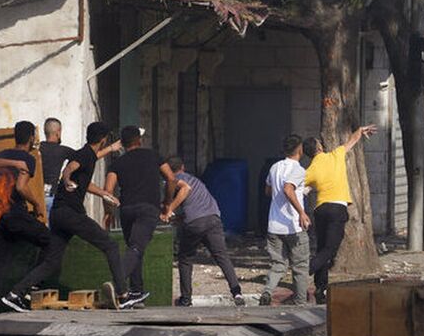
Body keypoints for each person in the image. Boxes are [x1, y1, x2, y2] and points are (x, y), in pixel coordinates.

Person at [0, 122, 131, 312]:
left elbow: (83, 180)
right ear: (102, 140)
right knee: (109, 245)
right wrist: (68, 180)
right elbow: (68, 170)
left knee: (52, 261)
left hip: (59, 214)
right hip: (70, 214)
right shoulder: (84, 155)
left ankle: (14, 294)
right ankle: (123, 295)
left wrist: (103, 193)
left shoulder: (87, 155)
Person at [302, 124, 376, 303]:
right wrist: (361, 130)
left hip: (320, 210)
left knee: (321, 247)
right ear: (319, 147)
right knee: (330, 249)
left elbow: (300, 190)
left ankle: (321, 287)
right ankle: (305, 271)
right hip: (337, 209)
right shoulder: (335, 155)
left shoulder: (310, 170)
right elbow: (352, 140)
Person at [0, 121, 56, 308]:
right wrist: (36, 204)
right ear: (32, 138)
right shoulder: (28, 159)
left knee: (1, 260)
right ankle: (29, 286)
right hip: (15, 213)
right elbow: (20, 186)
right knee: (50, 241)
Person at [162, 156, 244, 307]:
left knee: (185, 259)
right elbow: (195, 206)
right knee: (222, 257)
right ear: (183, 167)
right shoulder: (195, 179)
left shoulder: (172, 181)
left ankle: (186, 299)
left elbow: (186, 191)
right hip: (213, 218)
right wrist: (178, 218)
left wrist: (169, 209)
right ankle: (237, 292)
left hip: (195, 223)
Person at [104, 126, 161, 309]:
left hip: (127, 209)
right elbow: (171, 177)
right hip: (148, 208)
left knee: (134, 249)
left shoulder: (118, 163)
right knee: (137, 248)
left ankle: (136, 293)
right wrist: (168, 202)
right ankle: (117, 285)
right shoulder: (152, 156)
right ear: (139, 140)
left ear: (123, 143)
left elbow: (108, 190)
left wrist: (108, 212)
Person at [260, 135, 311, 306]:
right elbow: (288, 189)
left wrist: (300, 192)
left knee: (278, 264)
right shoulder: (298, 169)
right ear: (299, 149)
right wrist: (302, 212)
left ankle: (267, 292)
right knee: (300, 266)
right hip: (293, 226)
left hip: (274, 225)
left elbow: (268, 191)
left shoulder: (275, 167)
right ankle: (300, 302)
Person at [39, 118, 71, 214]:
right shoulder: (62, 151)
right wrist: (109, 149)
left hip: (35, 198)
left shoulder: (36, 149)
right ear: (58, 132)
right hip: (51, 197)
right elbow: (85, 157)